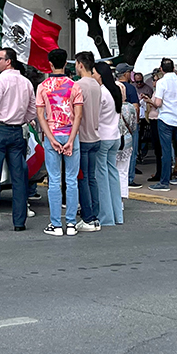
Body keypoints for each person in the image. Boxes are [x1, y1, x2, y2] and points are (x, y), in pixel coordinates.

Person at [0, 47, 36, 232]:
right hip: (16, 130)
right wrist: (25, 119)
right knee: (19, 178)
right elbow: (32, 109)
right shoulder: (26, 82)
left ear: (8, 61)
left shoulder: (0, 81)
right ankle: (19, 222)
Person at [35, 48, 83, 236]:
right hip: (71, 133)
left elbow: (41, 115)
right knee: (71, 180)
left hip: (52, 134)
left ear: (50, 63)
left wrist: (51, 138)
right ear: (65, 63)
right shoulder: (74, 86)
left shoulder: (43, 87)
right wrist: (71, 139)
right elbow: (78, 115)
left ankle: (56, 224)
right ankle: (70, 223)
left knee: (54, 181)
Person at [146, 57, 177, 192]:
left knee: (166, 151)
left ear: (161, 69)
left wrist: (150, 102)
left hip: (166, 120)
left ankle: (164, 182)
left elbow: (158, 103)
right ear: (173, 68)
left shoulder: (162, 82)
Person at [74, 52, 102, 232]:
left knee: (82, 180)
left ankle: (87, 217)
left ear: (80, 64)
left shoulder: (78, 86)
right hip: (95, 136)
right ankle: (95, 215)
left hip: (83, 137)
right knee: (92, 178)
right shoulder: (97, 85)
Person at [94, 61, 123, 226]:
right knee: (113, 175)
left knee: (102, 177)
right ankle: (117, 215)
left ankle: (106, 217)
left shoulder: (101, 93)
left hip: (103, 137)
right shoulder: (115, 90)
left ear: (99, 74)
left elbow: (95, 117)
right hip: (115, 137)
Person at [115, 64, 142, 186]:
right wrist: (135, 124)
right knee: (131, 152)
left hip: (114, 125)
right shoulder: (130, 88)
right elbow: (136, 108)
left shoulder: (111, 87)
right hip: (128, 126)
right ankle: (129, 178)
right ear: (126, 74)